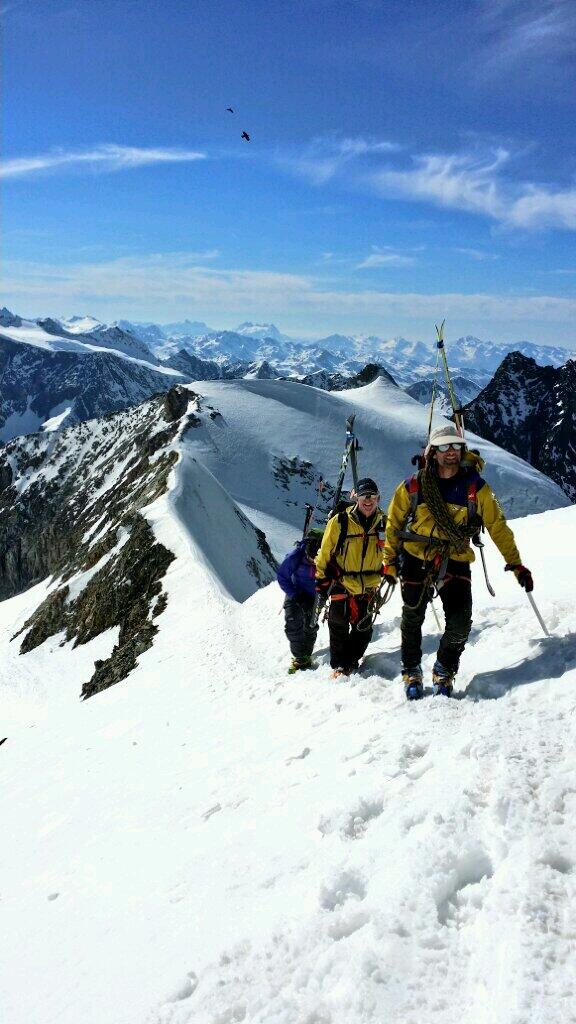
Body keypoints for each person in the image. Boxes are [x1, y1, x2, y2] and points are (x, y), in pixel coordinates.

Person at [383, 423, 533, 700]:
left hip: (456, 557)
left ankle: (444, 668)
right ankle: (411, 668)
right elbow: (394, 523)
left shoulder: (476, 488)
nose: (450, 452)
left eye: (455, 446)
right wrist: (389, 561)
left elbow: (498, 527)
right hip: (417, 555)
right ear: (433, 453)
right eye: (443, 447)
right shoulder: (414, 486)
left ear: (462, 451)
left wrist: (516, 563)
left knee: (460, 621)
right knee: (412, 616)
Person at [315, 478, 386, 678]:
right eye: (365, 496)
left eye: (373, 496)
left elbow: (392, 551)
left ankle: (351, 662)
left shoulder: (384, 523)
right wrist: (321, 582)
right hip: (342, 582)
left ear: (378, 498)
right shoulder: (340, 522)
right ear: (357, 498)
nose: (368, 500)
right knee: (338, 624)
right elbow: (325, 553)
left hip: (369, 586)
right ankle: (339, 665)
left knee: (363, 630)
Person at [277, 528, 324, 673]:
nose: (313, 562)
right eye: (310, 560)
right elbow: (282, 576)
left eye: (315, 561)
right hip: (296, 592)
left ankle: (306, 654)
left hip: (317, 595)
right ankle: (299, 657)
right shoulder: (295, 556)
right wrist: (296, 595)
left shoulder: (326, 557)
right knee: (292, 622)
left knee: (311, 624)